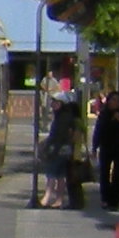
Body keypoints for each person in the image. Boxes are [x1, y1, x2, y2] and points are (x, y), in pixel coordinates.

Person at [38, 80, 81, 210]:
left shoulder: (63, 117)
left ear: (61, 103)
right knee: (60, 175)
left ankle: (47, 198)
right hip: (64, 150)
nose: (52, 105)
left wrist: (50, 147)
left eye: (55, 102)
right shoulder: (66, 116)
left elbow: (59, 136)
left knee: (52, 173)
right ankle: (58, 199)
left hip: (59, 149)